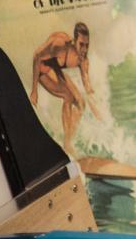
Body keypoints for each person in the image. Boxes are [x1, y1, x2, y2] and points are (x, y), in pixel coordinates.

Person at [28, 21, 102, 156]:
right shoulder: (60, 45)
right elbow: (37, 56)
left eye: (87, 45)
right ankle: (67, 144)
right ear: (74, 41)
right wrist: (34, 90)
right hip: (42, 68)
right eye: (81, 44)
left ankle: (68, 139)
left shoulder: (83, 61)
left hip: (55, 70)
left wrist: (97, 110)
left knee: (81, 103)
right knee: (68, 95)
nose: (84, 49)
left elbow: (88, 89)